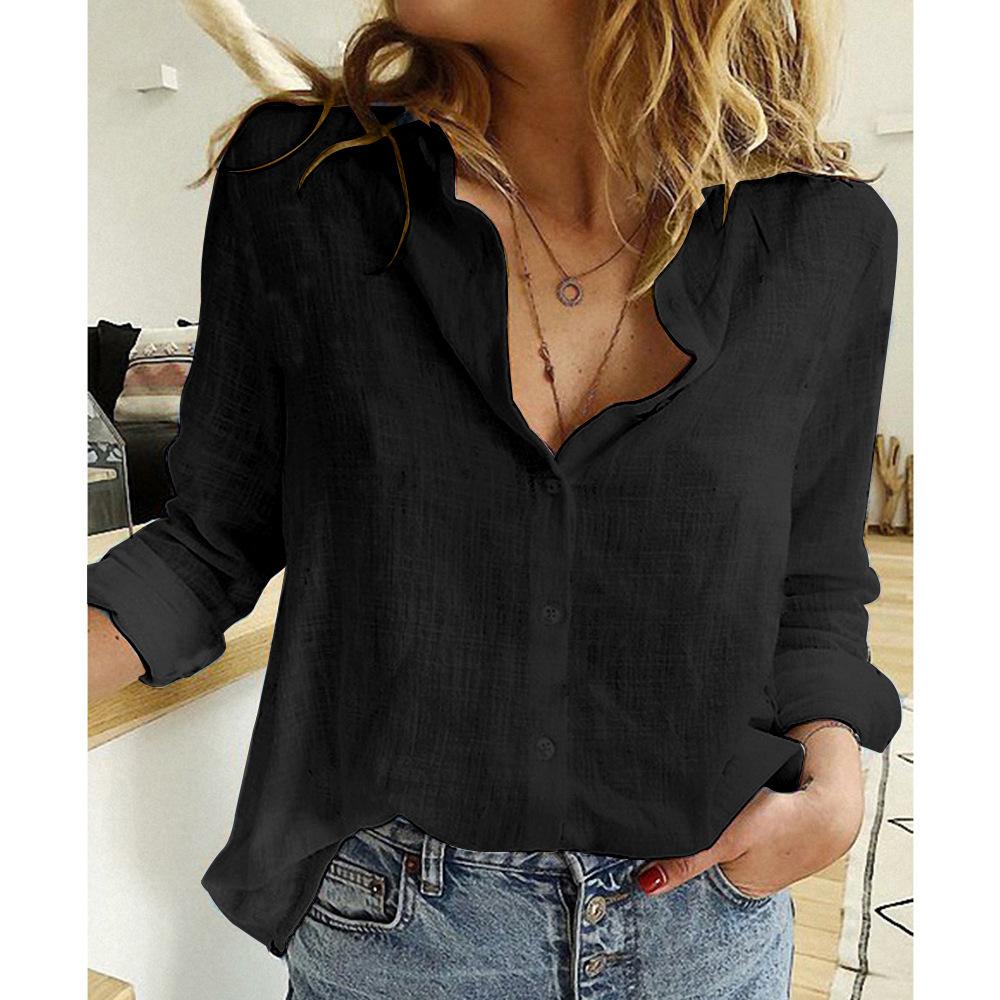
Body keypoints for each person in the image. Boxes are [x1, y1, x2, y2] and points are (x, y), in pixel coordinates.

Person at [88, 2, 902, 997]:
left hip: (707, 923)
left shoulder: (825, 236)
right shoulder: (304, 182)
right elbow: (213, 540)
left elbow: (812, 580)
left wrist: (833, 770)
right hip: (399, 932)